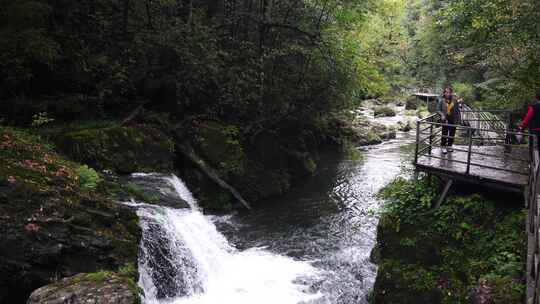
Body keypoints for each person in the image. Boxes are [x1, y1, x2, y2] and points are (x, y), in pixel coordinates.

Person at [438, 87, 461, 154]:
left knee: (452, 133)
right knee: (444, 133)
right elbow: (438, 110)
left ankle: (449, 146)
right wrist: (442, 114)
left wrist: (459, 119)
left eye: (449, 92)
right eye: (446, 92)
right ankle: (443, 146)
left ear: (451, 93)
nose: (447, 93)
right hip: (445, 118)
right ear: (444, 93)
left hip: (453, 119)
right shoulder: (441, 100)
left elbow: (457, 109)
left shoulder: (454, 100)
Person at [518, 89, 540, 155]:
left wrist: (521, 127)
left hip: (535, 130)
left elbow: (527, 118)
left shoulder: (533, 108)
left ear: (536, 98)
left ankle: (534, 163)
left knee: (534, 148)